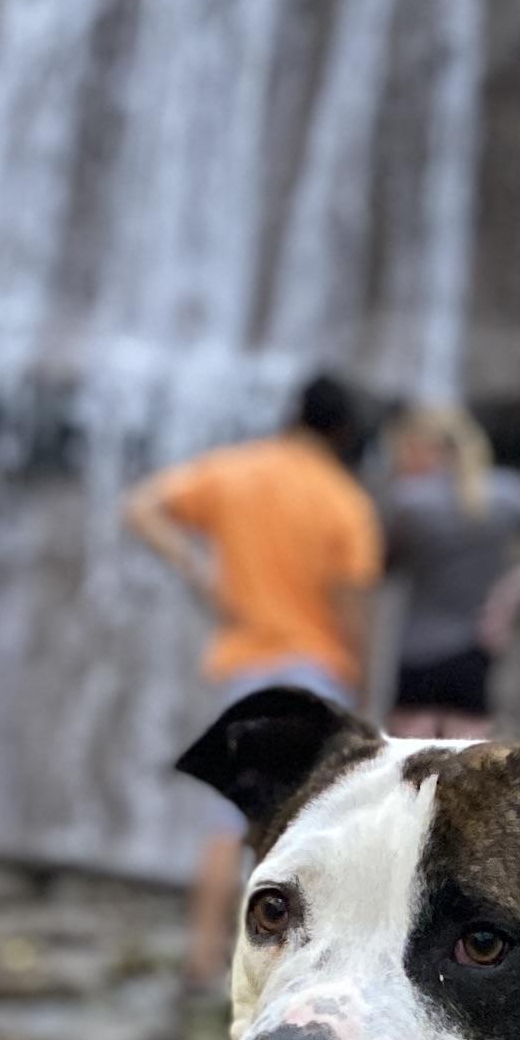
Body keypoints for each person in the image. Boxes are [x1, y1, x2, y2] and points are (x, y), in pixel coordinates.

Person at [124, 372, 381, 976]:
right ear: (343, 432)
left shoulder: (234, 471)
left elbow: (141, 507)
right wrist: (364, 680)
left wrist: (199, 571)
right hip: (316, 674)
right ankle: (291, 965)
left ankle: (200, 958)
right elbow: (350, 606)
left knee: (231, 819)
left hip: (247, 669)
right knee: (308, 829)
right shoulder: (344, 500)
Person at [373, 400, 520, 734]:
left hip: (416, 652)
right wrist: (509, 594)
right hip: (476, 647)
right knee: (465, 771)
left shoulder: (407, 501)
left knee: (409, 770)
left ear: (425, 446)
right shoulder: (506, 493)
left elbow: (378, 566)